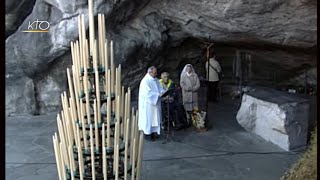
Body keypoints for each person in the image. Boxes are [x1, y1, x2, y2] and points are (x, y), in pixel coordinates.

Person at [138, 66, 165, 141]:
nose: (156, 74)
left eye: (156, 73)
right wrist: (157, 95)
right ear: (149, 72)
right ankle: (148, 134)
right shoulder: (145, 81)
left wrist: (162, 92)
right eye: (154, 73)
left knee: (155, 118)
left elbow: (160, 87)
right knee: (149, 118)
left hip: (155, 103)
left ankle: (154, 132)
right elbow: (147, 93)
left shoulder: (155, 80)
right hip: (148, 104)